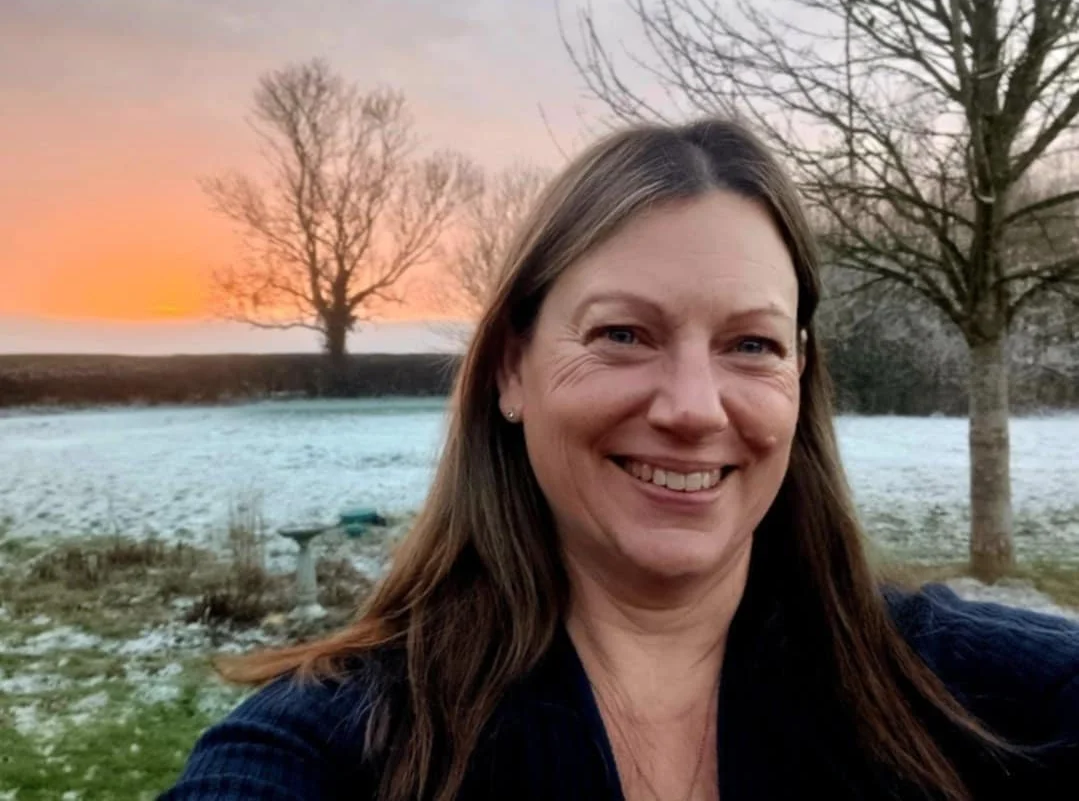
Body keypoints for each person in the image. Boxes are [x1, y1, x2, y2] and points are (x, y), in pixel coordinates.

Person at [161, 119, 1078, 801]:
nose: (690, 406)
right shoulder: (332, 747)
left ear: (801, 379)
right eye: (624, 333)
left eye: (750, 345)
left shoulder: (981, 702)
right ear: (512, 369)